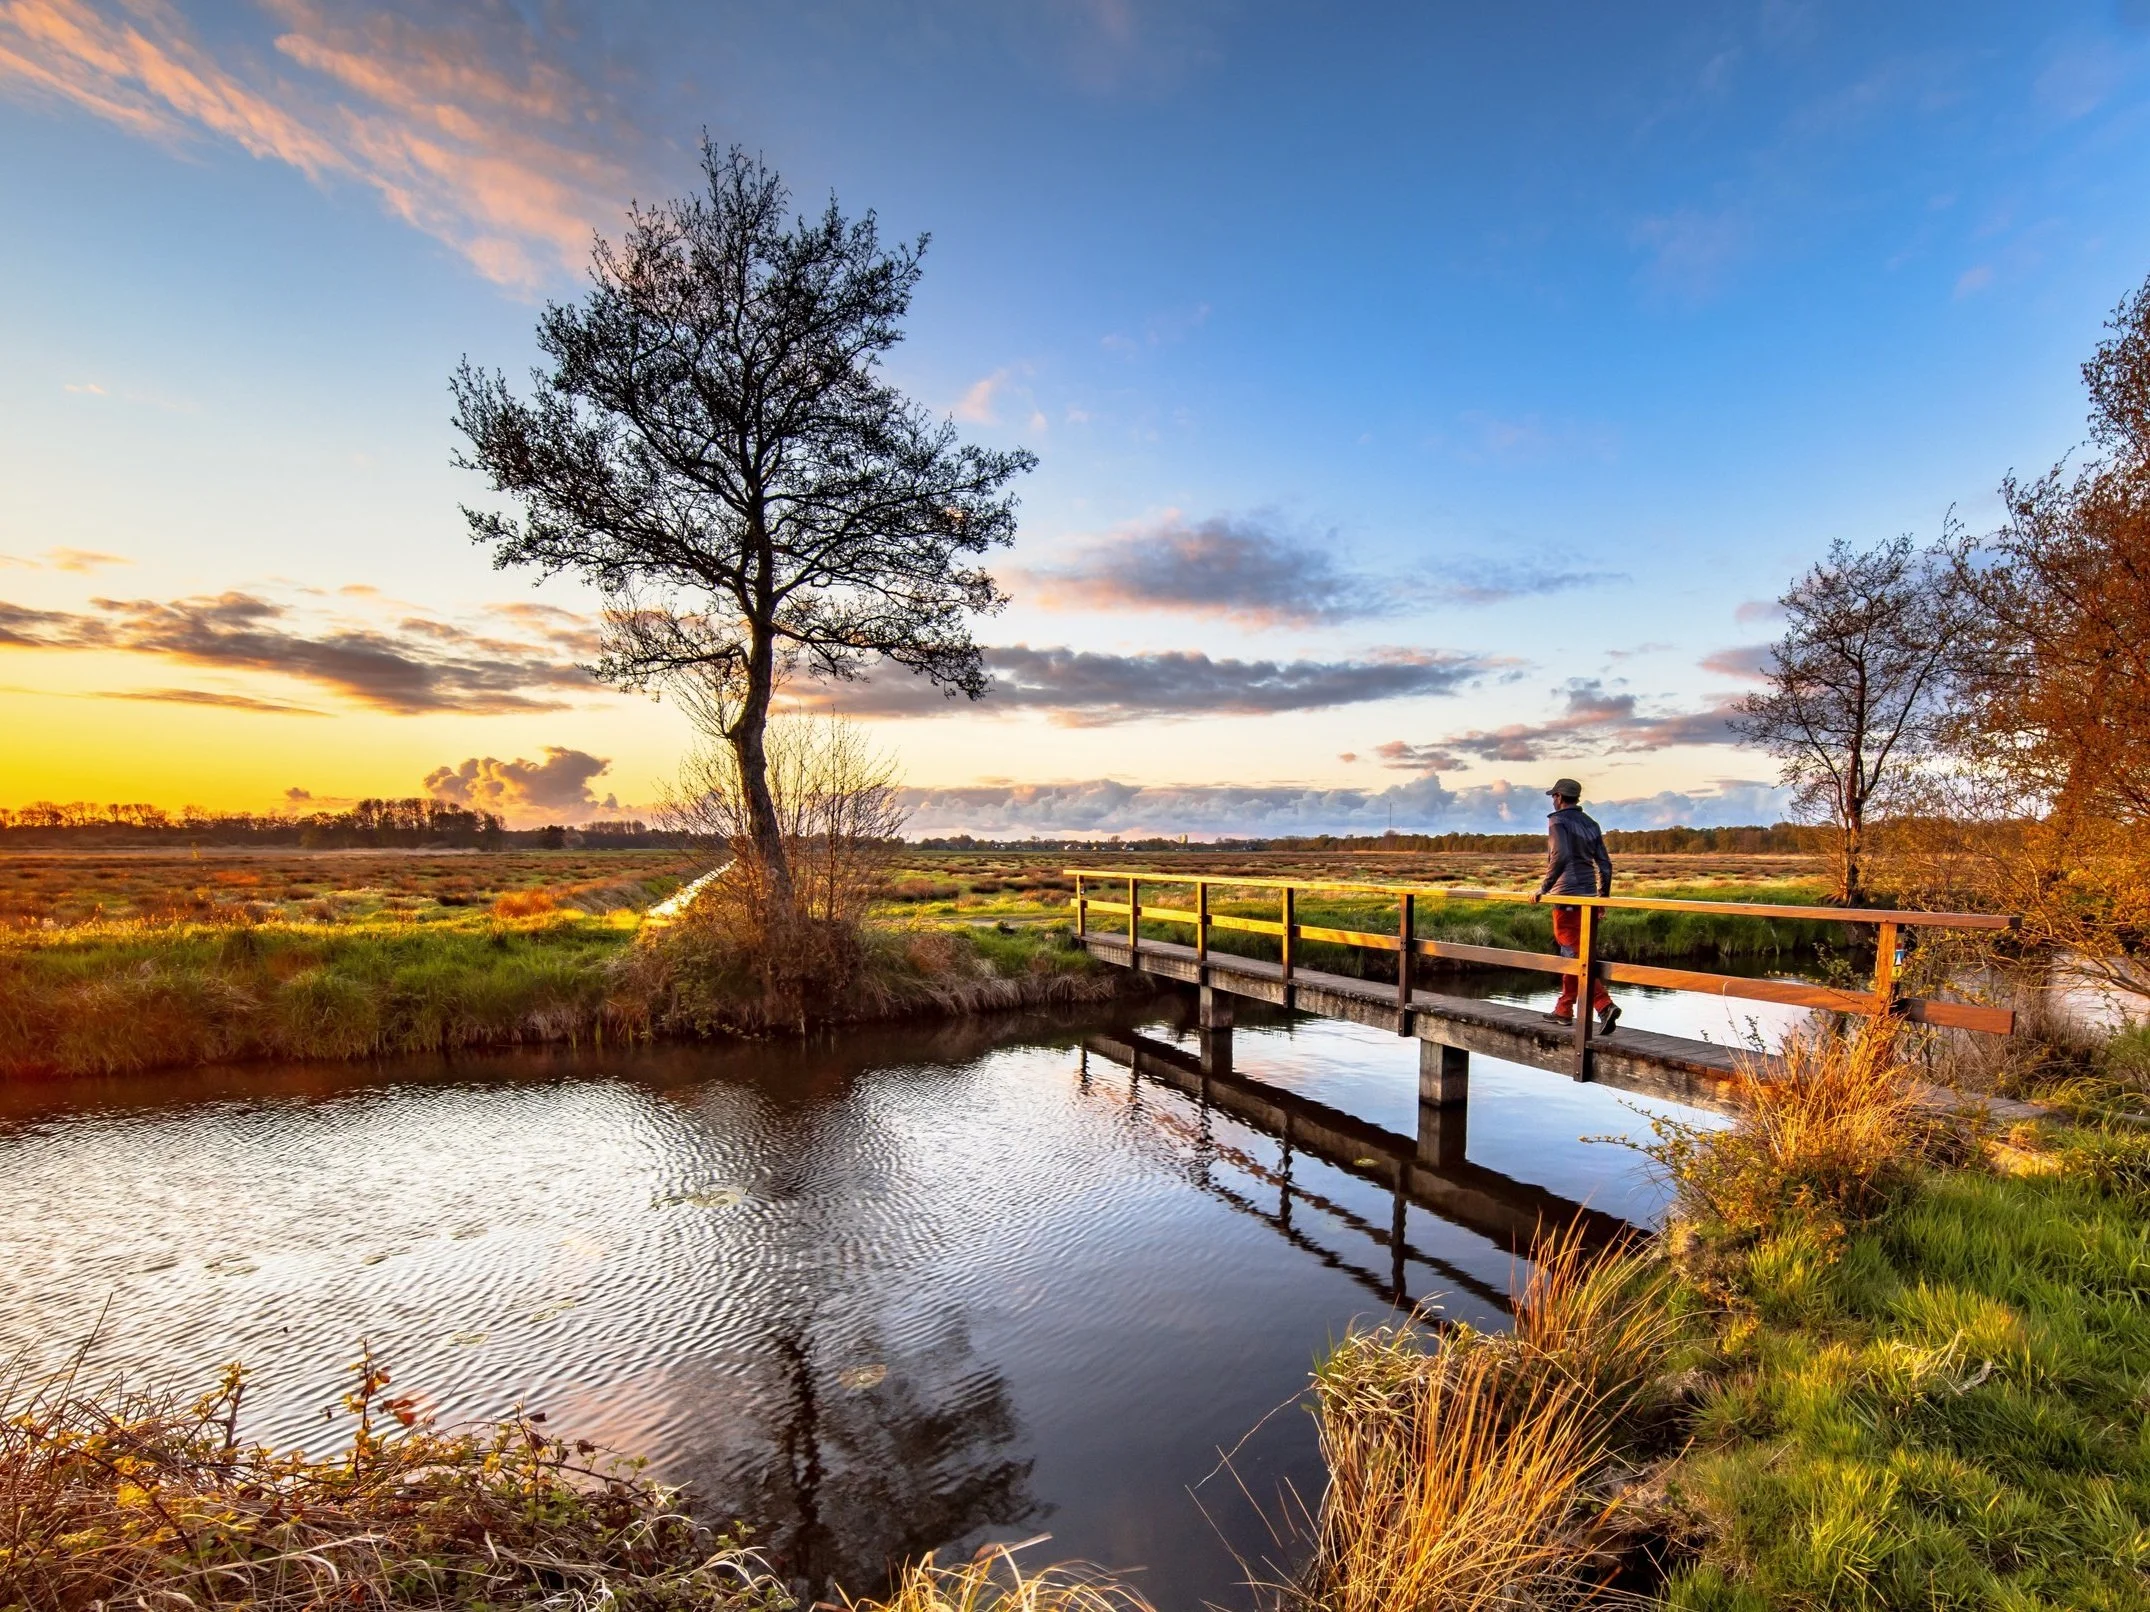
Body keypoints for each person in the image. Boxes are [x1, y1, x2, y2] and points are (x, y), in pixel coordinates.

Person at [1529, 777, 1618, 1034]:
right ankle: (1564, 1009)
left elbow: (1561, 855)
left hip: (1566, 896)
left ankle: (1603, 1005)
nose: (1553, 801)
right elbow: (1605, 864)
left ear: (1558, 797)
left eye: (1553, 797)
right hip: (1588, 897)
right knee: (1573, 953)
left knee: (1574, 954)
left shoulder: (1557, 821)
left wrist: (1543, 888)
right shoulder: (1591, 823)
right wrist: (1602, 897)